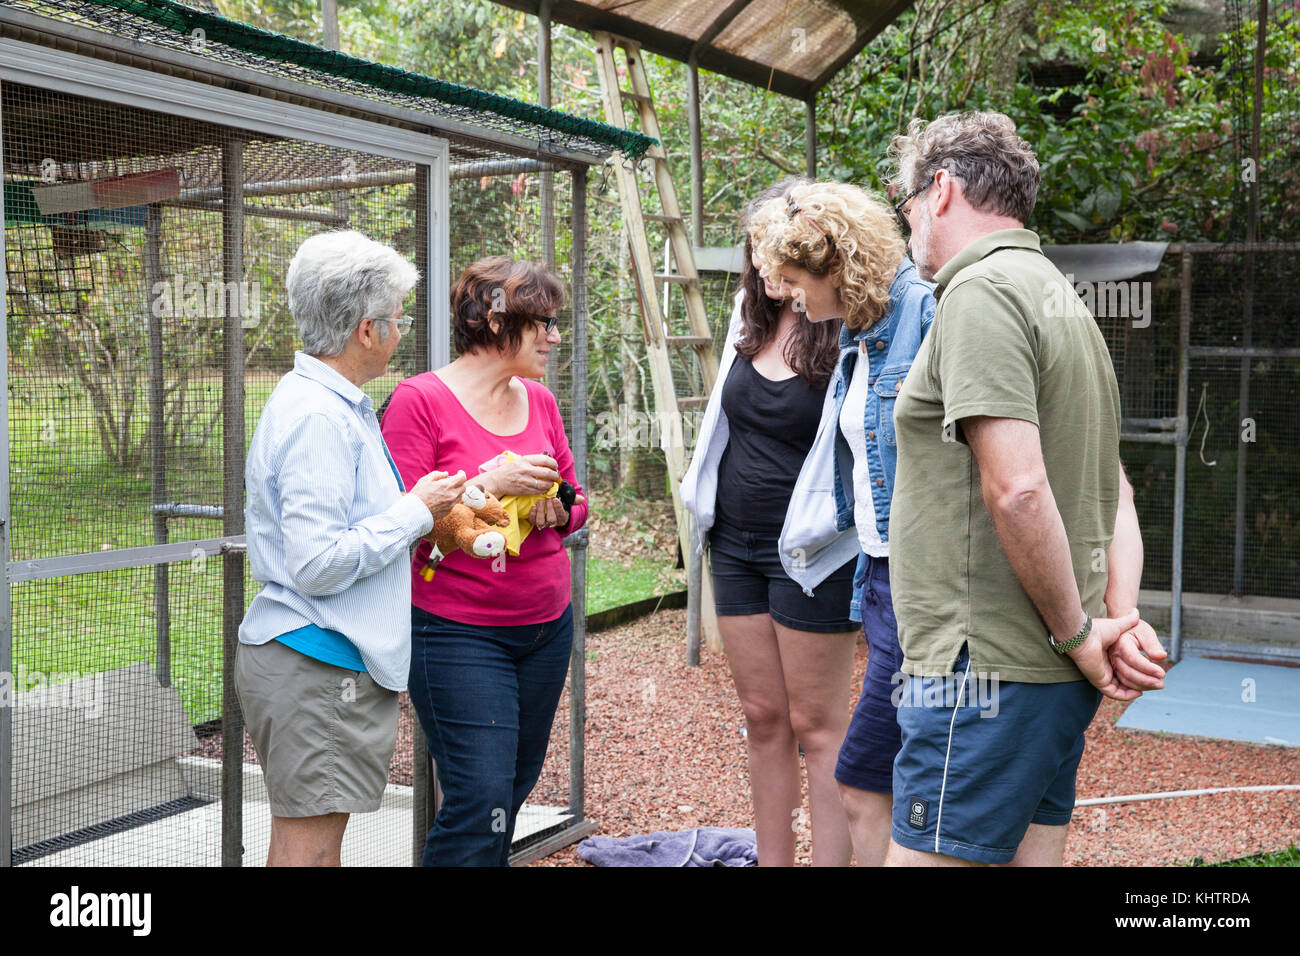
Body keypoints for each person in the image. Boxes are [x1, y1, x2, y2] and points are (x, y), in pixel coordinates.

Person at [879, 111, 1167, 866]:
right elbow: (1119, 495)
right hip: (1040, 681)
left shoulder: (982, 293)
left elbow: (1019, 492)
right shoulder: (1057, 297)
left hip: (983, 670)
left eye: (904, 201)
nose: (905, 221)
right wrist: (1116, 619)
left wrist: (1079, 633)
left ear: (939, 190)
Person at [237, 230, 467, 867]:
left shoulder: (327, 404)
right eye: (400, 319)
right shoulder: (319, 417)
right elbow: (316, 563)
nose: (403, 332)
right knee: (309, 854)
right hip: (318, 665)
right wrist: (416, 512)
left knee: (302, 846)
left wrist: (416, 510)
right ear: (368, 330)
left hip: (317, 662)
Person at [749, 179, 938, 867]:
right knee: (875, 780)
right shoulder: (859, 335)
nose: (789, 293)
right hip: (880, 576)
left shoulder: (925, 312)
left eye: (796, 279)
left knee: (866, 777)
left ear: (837, 266)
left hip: (926, 584)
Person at [382, 255, 588, 867]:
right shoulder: (419, 401)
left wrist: (561, 510)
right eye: (544, 323)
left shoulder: (540, 402)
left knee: (512, 792)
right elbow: (404, 525)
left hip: (546, 629)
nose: (554, 337)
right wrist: (489, 482)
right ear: (499, 324)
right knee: (480, 797)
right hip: (457, 634)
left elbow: (575, 502)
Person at [681, 178, 860, 867]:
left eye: (776, 248)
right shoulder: (744, 313)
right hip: (734, 543)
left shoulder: (846, 323)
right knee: (763, 719)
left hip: (814, 553)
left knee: (818, 726)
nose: (764, 262)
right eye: (756, 247)